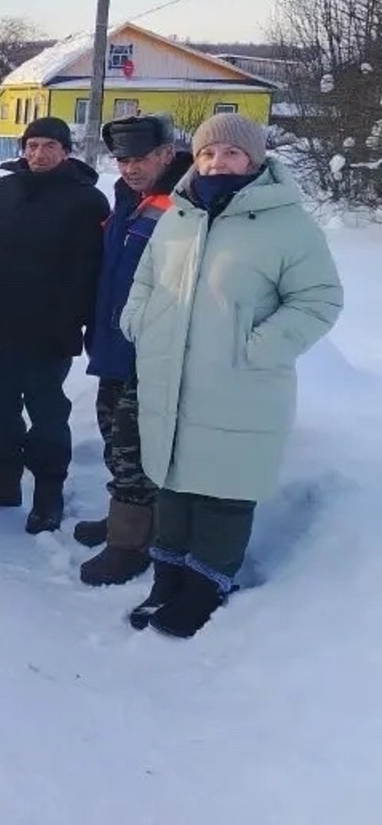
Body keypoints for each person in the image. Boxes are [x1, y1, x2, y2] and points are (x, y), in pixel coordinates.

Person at [121, 113, 342, 638]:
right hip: (171, 376)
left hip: (241, 383)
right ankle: (168, 580)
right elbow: (146, 280)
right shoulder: (180, 213)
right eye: (207, 153)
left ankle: (205, 588)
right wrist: (140, 323)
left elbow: (318, 300)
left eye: (231, 153)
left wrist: (257, 346)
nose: (217, 162)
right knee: (173, 482)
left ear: (254, 159)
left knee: (224, 492)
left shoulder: (287, 224)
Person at [0, 117, 107, 534]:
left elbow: (89, 271)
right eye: (32, 145)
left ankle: (48, 496)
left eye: (49, 146)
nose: (39, 154)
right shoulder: (2, 191)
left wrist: (72, 322)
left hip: (49, 331)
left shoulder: (87, 200)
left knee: (47, 415)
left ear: (66, 150)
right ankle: (4, 481)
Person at [77, 114, 192, 586]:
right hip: (114, 343)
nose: (129, 168)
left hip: (152, 351)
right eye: (122, 160)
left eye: (140, 158)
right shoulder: (128, 199)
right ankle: (124, 518)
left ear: (166, 154)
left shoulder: (182, 205)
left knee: (135, 444)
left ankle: (131, 544)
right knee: (116, 437)